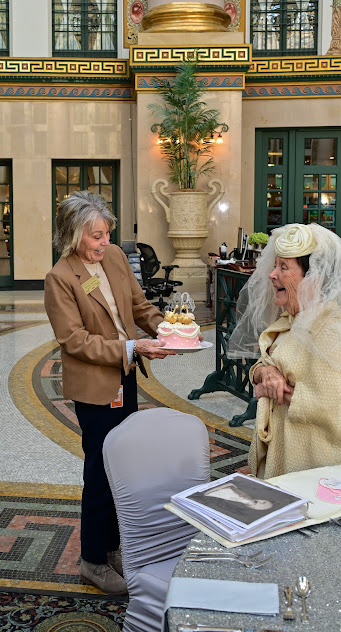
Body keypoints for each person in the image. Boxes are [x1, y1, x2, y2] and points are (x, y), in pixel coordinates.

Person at [44, 191, 176, 594]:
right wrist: (132, 347)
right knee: (100, 470)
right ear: (73, 235)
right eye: (95, 236)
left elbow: (138, 307)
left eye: (106, 234)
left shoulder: (116, 257)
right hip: (96, 386)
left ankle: (114, 546)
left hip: (125, 375)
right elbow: (74, 340)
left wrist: (167, 328)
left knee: (125, 465)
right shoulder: (61, 279)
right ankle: (92, 560)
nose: (104, 243)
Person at [228, 223, 341, 479]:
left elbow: (328, 406)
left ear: (314, 278)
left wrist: (273, 386)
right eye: (275, 265)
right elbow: (271, 361)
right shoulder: (295, 319)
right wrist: (265, 372)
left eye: (283, 267)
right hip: (293, 460)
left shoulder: (331, 332)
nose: (272, 274)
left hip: (325, 471)